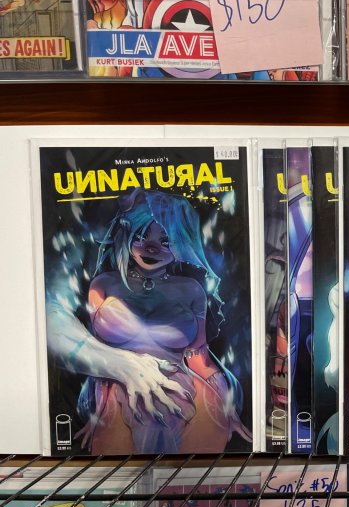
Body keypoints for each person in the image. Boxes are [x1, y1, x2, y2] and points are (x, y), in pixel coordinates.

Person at [46, 188, 250, 454]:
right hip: (116, 398)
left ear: (181, 242)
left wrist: (228, 407)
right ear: (127, 235)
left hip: (191, 397)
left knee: (195, 476)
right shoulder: (103, 284)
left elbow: (199, 358)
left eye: (165, 240)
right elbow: (94, 354)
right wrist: (97, 410)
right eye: (141, 236)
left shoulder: (192, 290)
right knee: (115, 476)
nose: (151, 248)